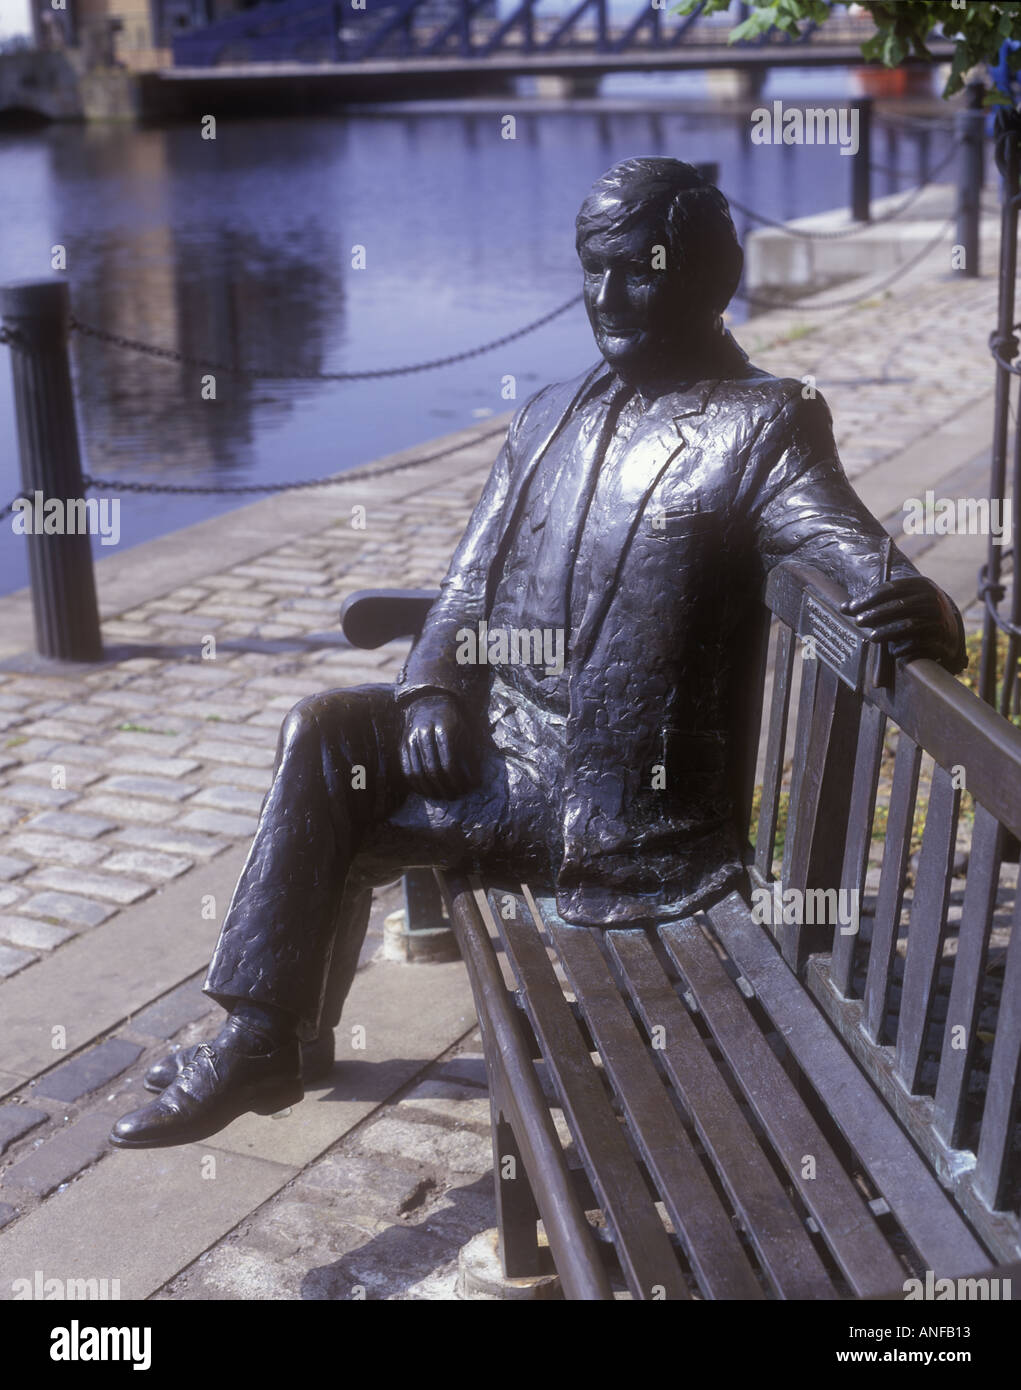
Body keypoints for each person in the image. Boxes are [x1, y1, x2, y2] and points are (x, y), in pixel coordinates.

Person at [110, 156, 965, 1149]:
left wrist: (920, 612)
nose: (606, 296)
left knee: (337, 758)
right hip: (499, 764)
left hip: (617, 813)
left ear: (706, 275)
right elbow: (468, 588)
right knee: (329, 731)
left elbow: (846, 545)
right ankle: (260, 1035)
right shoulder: (546, 412)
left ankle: (266, 1037)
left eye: (637, 270)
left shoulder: (760, 424)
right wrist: (432, 694)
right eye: (591, 268)